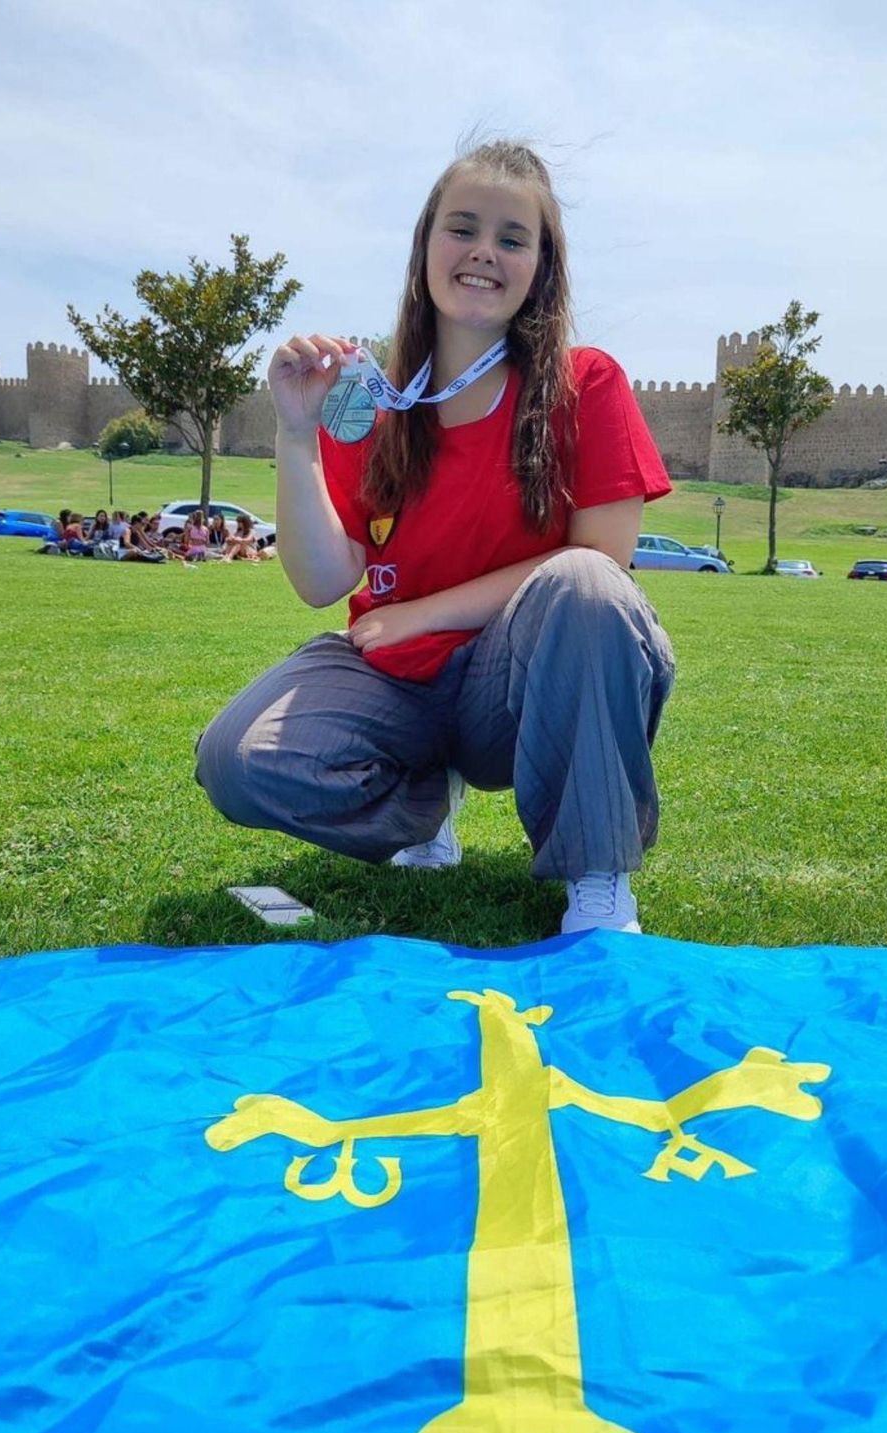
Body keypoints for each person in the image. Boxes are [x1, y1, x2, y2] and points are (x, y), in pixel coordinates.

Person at [196, 140, 675, 935]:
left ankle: (597, 878)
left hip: (516, 688)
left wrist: (423, 614)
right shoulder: (370, 401)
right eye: (463, 228)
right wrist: (295, 435)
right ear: (425, 246)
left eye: (513, 238)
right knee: (236, 759)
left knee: (590, 593)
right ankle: (422, 808)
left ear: (541, 267)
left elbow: (604, 561)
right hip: (400, 688)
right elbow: (321, 579)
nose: (485, 251)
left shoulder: (588, 384)